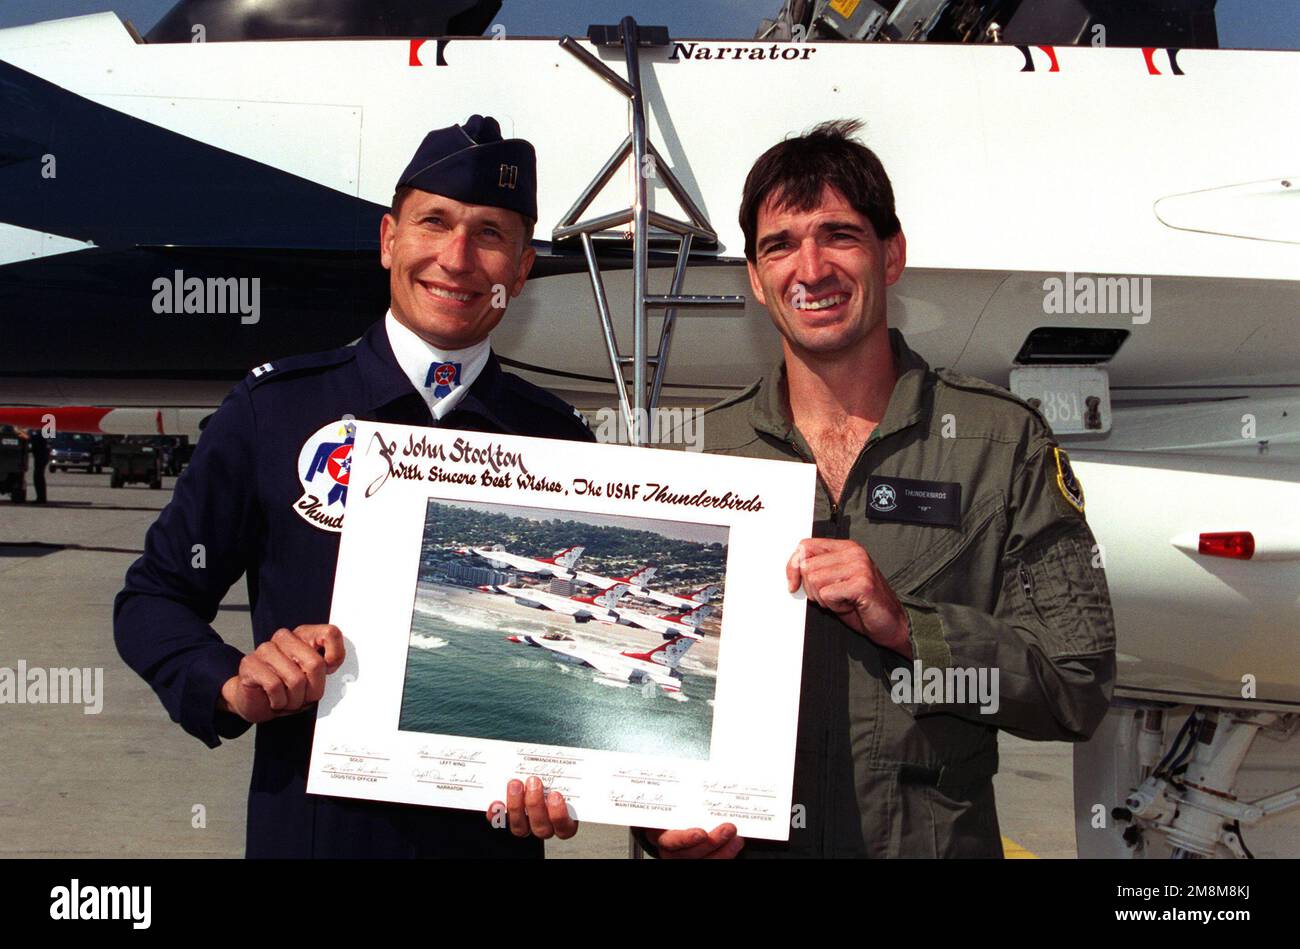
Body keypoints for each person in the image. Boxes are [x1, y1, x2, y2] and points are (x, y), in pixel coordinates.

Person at [114, 115, 589, 858]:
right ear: (388, 240)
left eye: (490, 234)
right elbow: (153, 597)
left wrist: (572, 774)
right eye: (434, 222)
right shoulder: (275, 410)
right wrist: (231, 681)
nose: (457, 258)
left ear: (521, 269)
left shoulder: (557, 442)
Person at [644, 120, 1116, 858]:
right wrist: (656, 819)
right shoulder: (702, 453)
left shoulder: (1002, 444)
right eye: (780, 245)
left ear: (891, 254)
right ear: (755, 279)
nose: (811, 267)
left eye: (839, 234)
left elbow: (1075, 687)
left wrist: (911, 627)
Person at [28, 429, 48, 503]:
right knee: (38, 476)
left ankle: (41, 498)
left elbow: (35, 441)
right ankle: (41, 497)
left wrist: (28, 437)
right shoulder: (39, 432)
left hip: (41, 456)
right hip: (41, 456)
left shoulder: (40, 433)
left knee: (38, 476)